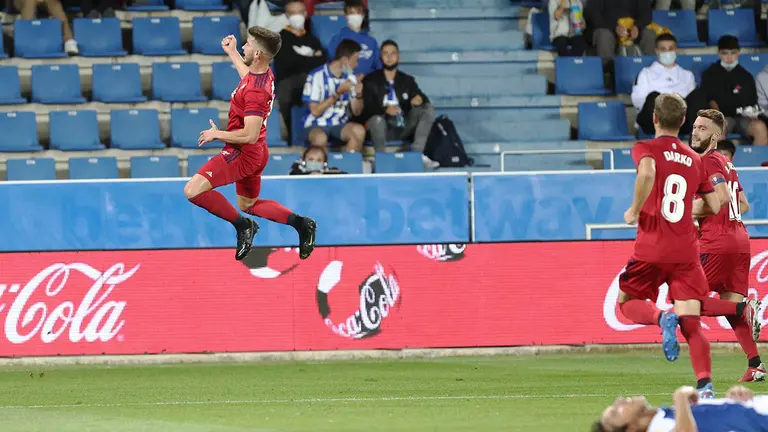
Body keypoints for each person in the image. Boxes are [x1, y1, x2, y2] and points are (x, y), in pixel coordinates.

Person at [616, 93, 722, 397]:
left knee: (625, 304)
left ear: (654, 118)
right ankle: (705, 385)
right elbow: (713, 205)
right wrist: (682, 211)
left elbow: (647, 171)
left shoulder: (645, 148)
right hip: (686, 251)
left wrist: (635, 210)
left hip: (651, 247)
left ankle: (661, 317)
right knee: (692, 321)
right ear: (684, 120)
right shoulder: (695, 158)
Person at [184, 28, 317, 262]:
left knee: (192, 190)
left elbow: (249, 135)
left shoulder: (257, 91)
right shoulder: (262, 75)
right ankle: (301, 224)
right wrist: (233, 53)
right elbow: (248, 79)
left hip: (242, 153)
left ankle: (243, 226)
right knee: (249, 203)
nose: (244, 46)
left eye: (247, 44)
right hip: (257, 153)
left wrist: (218, 134)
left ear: (257, 54)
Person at [688, 109, 763, 382]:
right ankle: (755, 364)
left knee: (691, 301)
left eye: (703, 128)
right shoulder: (727, 163)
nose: (696, 132)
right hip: (740, 242)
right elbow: (741, 204)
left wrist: (688, 211)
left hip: (716, 244)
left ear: (715, 136)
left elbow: (718, 199)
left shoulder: (707, 161)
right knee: (730, 308)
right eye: (695, 127)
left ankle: (746, 309)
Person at [362, 40, 438, 167]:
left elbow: (423, 99)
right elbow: (367, 109)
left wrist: (419, 100)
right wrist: (385, 110)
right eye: (386, 53)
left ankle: (417, 154)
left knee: (428, 109)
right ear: (380, 57)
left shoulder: (407, 80)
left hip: (403, 125)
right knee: (376, 120)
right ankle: (381, 159)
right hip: (382, 126)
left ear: (398, 57)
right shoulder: (370, 80)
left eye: (393, 53)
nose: (389, 57)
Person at [593, 384, 768, 432]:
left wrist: (733, 401)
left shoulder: (669, 416)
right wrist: (680, 396)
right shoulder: (658, 428)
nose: (618, 401)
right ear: (630, 429)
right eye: (616, 412)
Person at [632, 33, 707, 136]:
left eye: (671, 48)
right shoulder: (646, 73)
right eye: (663, 49)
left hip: (681, 120)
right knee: (653, 97)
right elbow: (638, 101)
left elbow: (692, 104)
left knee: (698, 95)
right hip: (655, 122)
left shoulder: (687, 74)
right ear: (657, 51)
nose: (667, 52)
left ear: (676, 50)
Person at [274, 0, 326, 145]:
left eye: (299, 12)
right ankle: (293, 135)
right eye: (292, 13)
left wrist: (300, 59)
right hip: (289, 81)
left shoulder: (313, 39)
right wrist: (311, 59)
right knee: (286, 90)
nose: (297, 16)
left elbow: (322, 61)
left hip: (313, 81)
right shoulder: (280, 38)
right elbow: (287, 64)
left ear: (305, 14)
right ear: (287, 15)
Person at [701, 36, 768, 145]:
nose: (729, 57)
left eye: (733, 53)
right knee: (717, 128)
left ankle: (757, 161)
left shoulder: (746, 76)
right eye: (725, 53)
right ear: (718, 53)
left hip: (743, 118)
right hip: (723, 118)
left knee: (760, 127)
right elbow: (710, 100)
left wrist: (752, 113)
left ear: (738, 53)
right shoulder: (710, 74)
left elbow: (752, 102)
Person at [302, 39, 366, 152]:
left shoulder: (350, 78)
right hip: (315, 124)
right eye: (355, 61)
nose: (356, 65)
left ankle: (348, 167)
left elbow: (357, 111)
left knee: (359, 131)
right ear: (345, 60)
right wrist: (337, 93)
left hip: (339, 124)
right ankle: (323, 169)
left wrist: (359, 94)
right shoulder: (317, 76)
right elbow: (315, 111)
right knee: (320, 138)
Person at [584, 0, 656, 62]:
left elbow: (646, 13)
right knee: (604, 35)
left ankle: (651, 69)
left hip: (632, 28)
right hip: (607, 28)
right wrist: (614, 27)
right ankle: (608, 72)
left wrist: (637, 26)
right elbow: (592, 12)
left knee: (649, 34)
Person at [327, 0, 380, 77]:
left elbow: (378, 66)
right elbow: (331, 66)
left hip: (367, 84)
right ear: (345, 15)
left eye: (358, 13)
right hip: (343, 85)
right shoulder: (336, 40)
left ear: (363, 15)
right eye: (351, 13)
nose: (355, 16)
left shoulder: (372, 42)